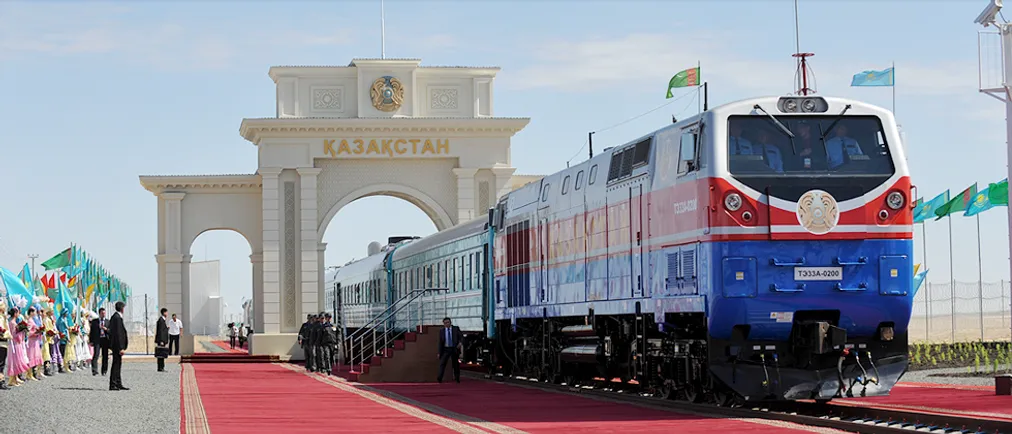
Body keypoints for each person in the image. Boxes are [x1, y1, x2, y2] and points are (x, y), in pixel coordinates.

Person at [108, 301, 129, 391]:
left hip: (116, 345)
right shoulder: (117, 318)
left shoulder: (116, 317)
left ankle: (118, 382)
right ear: (122, 308)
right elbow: (118, 334)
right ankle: (113, 384)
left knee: (118, 364)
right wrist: (121, 347)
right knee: (116, 364)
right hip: (117, 346)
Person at [436, 317, 463, 383]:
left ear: (450, 322)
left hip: (454, 348)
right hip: (446, 349)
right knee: (442, 363)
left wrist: (460, 343)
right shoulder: (442, 331)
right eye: (445, 323)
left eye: (448, 322)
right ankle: (439, 378)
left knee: (455, 364)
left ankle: (457, 378)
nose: (447, 324)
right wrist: (439, 352)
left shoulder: (455, 329)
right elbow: (440, 342)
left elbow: (461, 337)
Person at [89, 308, 110, 376]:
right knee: (96, 355)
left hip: (105, 340)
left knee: (105, 356)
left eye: (104, 313)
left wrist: (106, 329)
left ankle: (104, 370)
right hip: (97, 340)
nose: (103, 314)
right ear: (99, 314)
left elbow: (111, 331)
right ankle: (94, 370)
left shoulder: (108, 321)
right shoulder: (94, 322)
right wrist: (91, 341)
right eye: (102, 313)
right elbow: (91, 332)